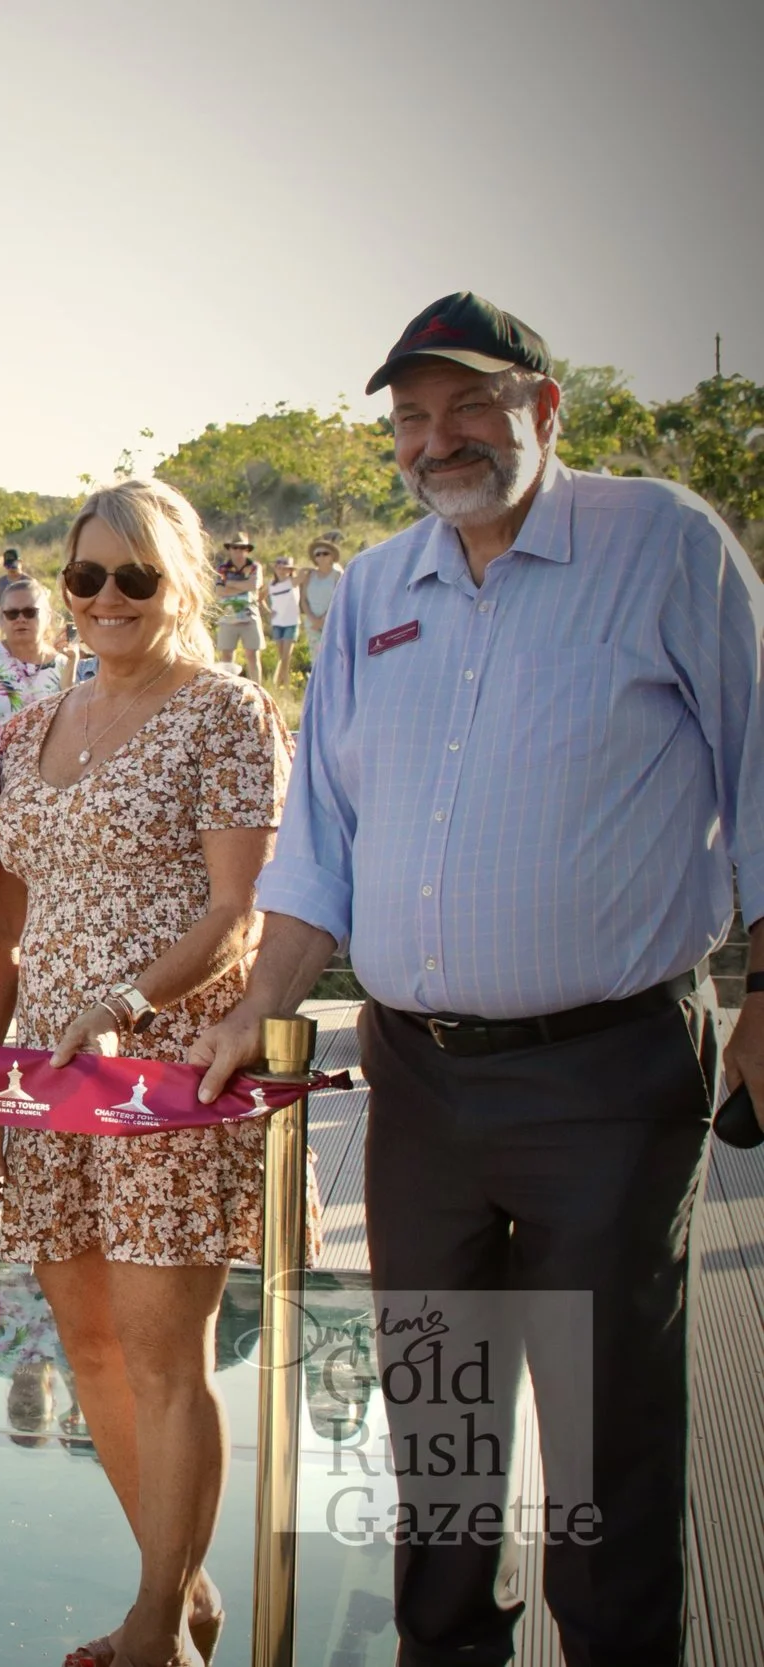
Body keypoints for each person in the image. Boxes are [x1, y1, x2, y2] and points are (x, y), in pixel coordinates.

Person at [194, 291, 764, 1667]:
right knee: (437, 1416)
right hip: (421, 1079)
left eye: (468, 406)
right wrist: (256, 1002)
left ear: (544, 408)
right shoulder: (383, 587)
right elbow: (320, 840)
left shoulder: (664, 544)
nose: (436, 438)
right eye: (410, 417)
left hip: (608, 1072)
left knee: (603, 1434)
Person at [0, 476, 293, 1667]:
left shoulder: (227, 714)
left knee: (163, 1354)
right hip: (47, 1076)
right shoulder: (23, 725)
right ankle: (177, 1593)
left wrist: (122, 1005)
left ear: (183, 584)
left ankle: (154, 1618)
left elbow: (240, 911)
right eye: (86, 576)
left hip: (165, 1072)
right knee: (85, 1342)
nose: (107, 597)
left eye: (136, 576)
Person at [0, 577, 72, 739]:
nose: (21, 619)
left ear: (48, 616)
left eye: (30, 612)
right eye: (12, 614)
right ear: (1, 619)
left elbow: (73, 724)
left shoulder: (63, 665)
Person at [207, 534, 263, 683]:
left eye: (242, 548)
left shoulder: (254, 567)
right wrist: (242, 587)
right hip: (228, 617)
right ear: (230, 550)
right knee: (227, 658)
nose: (238, 551)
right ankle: (229, 690)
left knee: (252, 656)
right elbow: (219, 591)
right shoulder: (222, 568)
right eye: (235, 548)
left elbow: (253, 586)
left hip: (250, 616)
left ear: (247, 550)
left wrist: (230, 584)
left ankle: (258, 689)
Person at [300, 534, 343, 655]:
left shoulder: (337, 575)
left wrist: (324, 619)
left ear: (332, 556)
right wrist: (314, 620)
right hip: (312, 624)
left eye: (325, 553)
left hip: (332, 623)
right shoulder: (309, 575)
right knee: (316, 659)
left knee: (334, 657)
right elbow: (303, 600)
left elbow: (339, 599)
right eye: (318, 554)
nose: (321, 557)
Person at [263, 556, 302, 682]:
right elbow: (259, 598)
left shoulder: (293, 582)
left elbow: (306, 572)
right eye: (279, 568)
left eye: (285, 568)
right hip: (277, 623)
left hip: (291, 622)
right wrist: (269, 612)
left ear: (290, 570)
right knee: (281, 657)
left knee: (286, 657)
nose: (281, 570)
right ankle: (281, 684)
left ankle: (284, 684)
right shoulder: (271, 585)